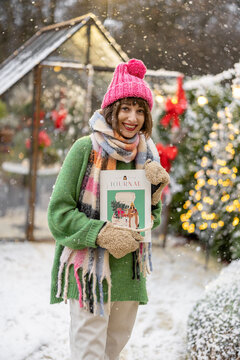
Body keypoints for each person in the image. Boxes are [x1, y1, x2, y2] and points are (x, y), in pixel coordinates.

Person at [48, 58, 170, 360]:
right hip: (90, 273)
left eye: (140, 110)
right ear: (112, 110)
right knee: (89, 354)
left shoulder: (147, 154)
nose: (133, 118)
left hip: (128, 274)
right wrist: (100, 233)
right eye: (126, 108)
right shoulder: (85, 149)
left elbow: (148, 221)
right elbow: (58, 216)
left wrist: (154, 195)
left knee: (112, 353)